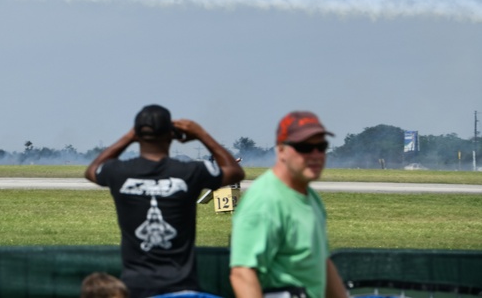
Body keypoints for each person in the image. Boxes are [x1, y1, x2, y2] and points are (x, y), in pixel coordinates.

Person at [85, 104, 245, 298]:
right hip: (182, 287)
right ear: (172, 135)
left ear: (137, 134)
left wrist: (129, 137)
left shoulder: (119, 172)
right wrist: (201, 134)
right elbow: (235, 172)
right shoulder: (189, 172)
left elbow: (92, 170)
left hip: (136, 288)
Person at [229, 111, 348, 298]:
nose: (316, 154)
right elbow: (243, 274)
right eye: (304, 147)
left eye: (321, 146)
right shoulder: (265, 201)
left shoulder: (310, 196)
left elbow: (321, 263)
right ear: (281, 150)